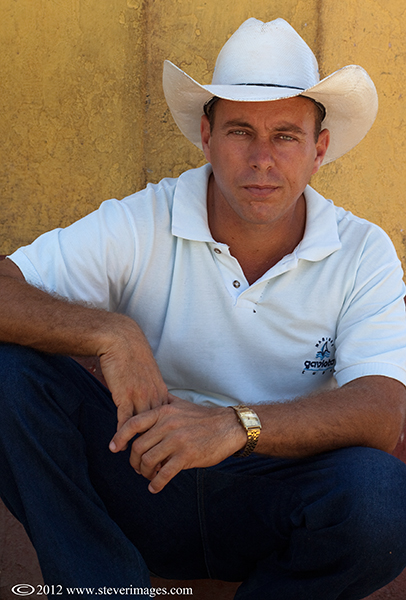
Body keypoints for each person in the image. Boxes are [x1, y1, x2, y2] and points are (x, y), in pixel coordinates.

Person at [1, 16, 406, 600]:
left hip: (275, 497)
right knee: (9, 374)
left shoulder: (361, 249)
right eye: (241, 131)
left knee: (382, 497)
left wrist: (234, 426)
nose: (262, 160)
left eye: (286, 135)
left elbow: (382, 411)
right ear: (206, 136)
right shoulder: (145, 219)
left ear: (319, 149)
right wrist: (109, 333)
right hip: (142, 477)